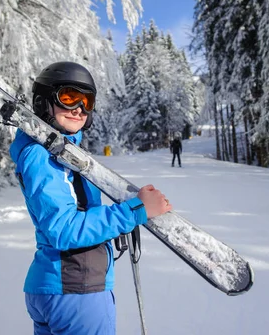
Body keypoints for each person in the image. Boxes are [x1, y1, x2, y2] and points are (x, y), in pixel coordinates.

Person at [9, 61, 173, 335]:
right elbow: (64, 229)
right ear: (44, 101)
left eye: (87, 101)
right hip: (76, 289)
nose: (78, 108)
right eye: (69, 97)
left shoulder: (61, 153)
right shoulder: (40, 155)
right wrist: (135, 212)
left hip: (62, 287)